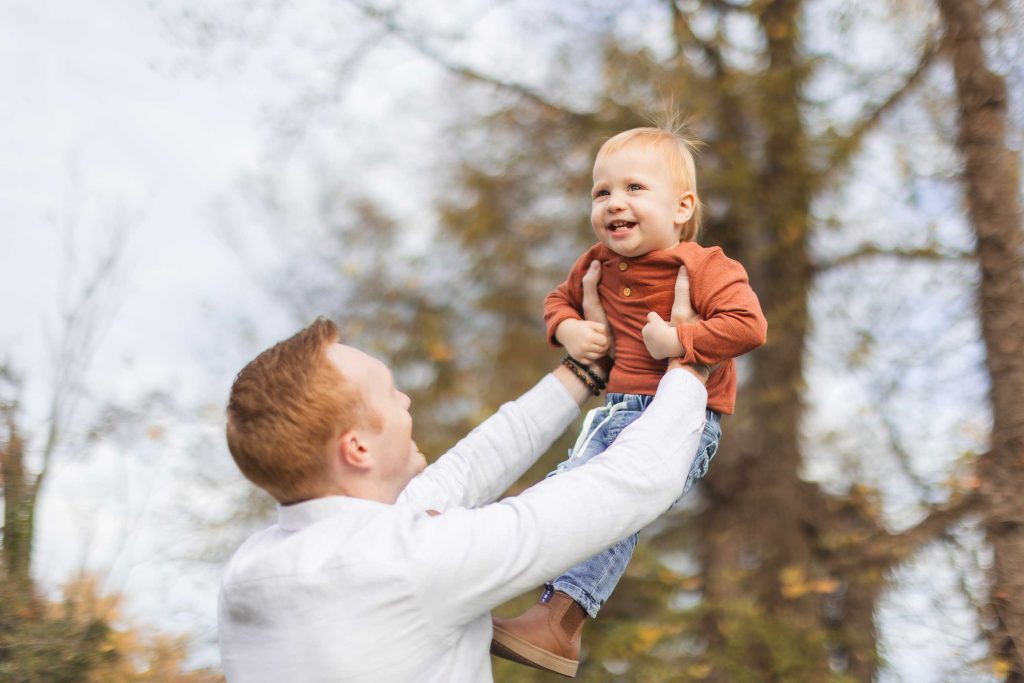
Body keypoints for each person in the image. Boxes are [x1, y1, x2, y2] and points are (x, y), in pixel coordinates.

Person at [217, 272, 712, 683]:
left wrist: (585, 370)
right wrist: (691, 365)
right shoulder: (408, 564)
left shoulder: (250, 572)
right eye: (390, 394)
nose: (406, 401)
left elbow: (466, 470)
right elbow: (630, 482)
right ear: (358, 447)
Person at [490, 125, 767, 677]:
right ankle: (531, 600)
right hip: (618, 410)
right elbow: (557, 301)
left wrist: (682, 342)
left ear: (682, 206)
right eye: (601, 192)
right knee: (578, 495)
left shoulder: (705, 265)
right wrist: (568, 331)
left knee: (603, 504)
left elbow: (749, 325)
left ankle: (553, 613)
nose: (615, 202)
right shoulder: (597, 262)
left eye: (635, 189)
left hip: (685, 422)